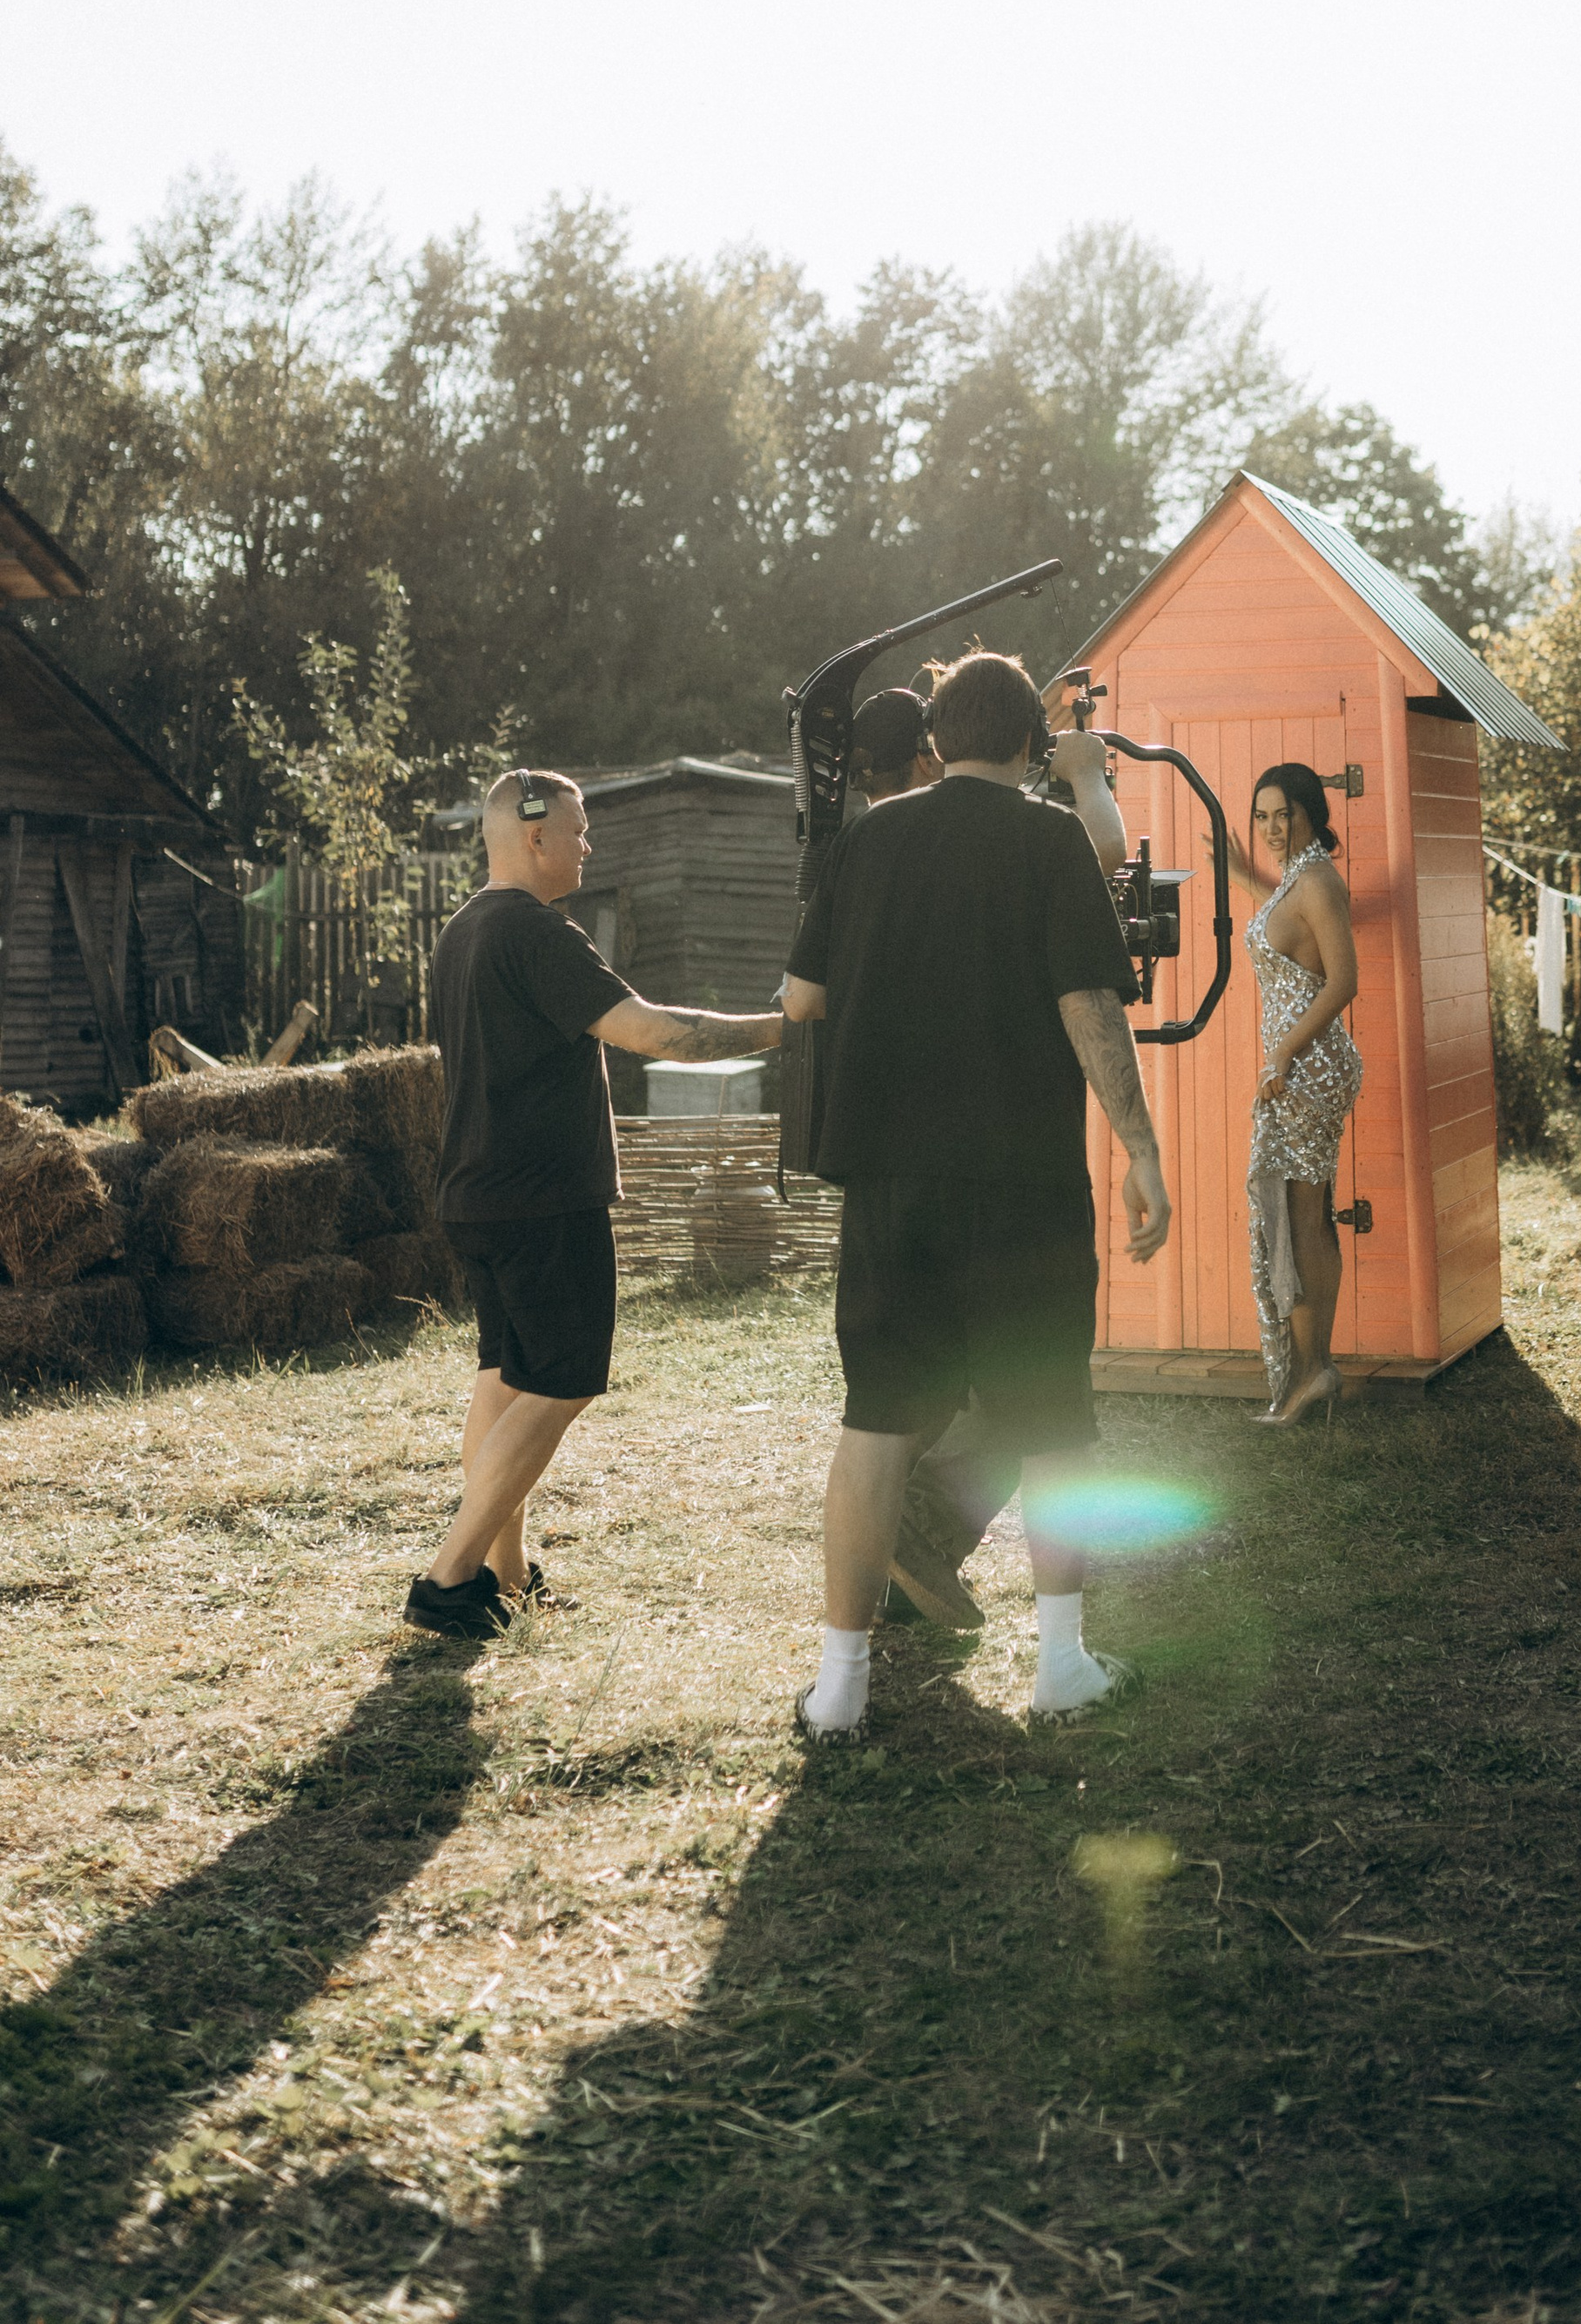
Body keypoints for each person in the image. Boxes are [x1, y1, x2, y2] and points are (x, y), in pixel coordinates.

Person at [780, 650, 1172, 1741]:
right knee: (1050, 1425)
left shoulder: (864, 840)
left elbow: (801, 997)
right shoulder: (1050, 838)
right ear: (1027, 747)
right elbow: (1090, 1005)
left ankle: (841, 1689)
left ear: (938, 740)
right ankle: (1059, 1668)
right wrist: (1140, 1150)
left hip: (891, 1183)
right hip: (1024, 1183)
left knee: (876, 1421)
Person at [405, 765, 784, 1639]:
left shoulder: (463, 929)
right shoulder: (539, 933)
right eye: (577, 831)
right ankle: (446, 1579)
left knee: (503, 1379)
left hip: (479, 1191)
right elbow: (653, 1033)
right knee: (562, 1379)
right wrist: (781, 1027)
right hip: (542, 1199)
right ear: (533, 837)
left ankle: (503, 1574)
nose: (588, 845)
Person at [850, 677, 1136, 1632]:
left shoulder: (873, 839)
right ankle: (934, 1537)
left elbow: (805, 996)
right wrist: (1087, 773)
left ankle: (884, 1595)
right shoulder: (1030, 832)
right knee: (1028, 1384)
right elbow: (1102, 853)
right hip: (1009, 1157)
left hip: (892, 1160)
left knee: (911, 1397)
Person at [1230, 763, 1361, 1426]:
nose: (1272, 827)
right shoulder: (1297, 880)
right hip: (1298, 1071)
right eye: (1262, 816)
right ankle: (1315, 1369)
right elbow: (1290, 925)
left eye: (1283, 814)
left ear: (1310, 813)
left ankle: (1314, 1372)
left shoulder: (1316, 882)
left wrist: (1282, 1051)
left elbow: (1343, 982)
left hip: (1305, 1070)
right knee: (1301, 1216)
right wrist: (1244, 874)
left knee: (1297, 1220)